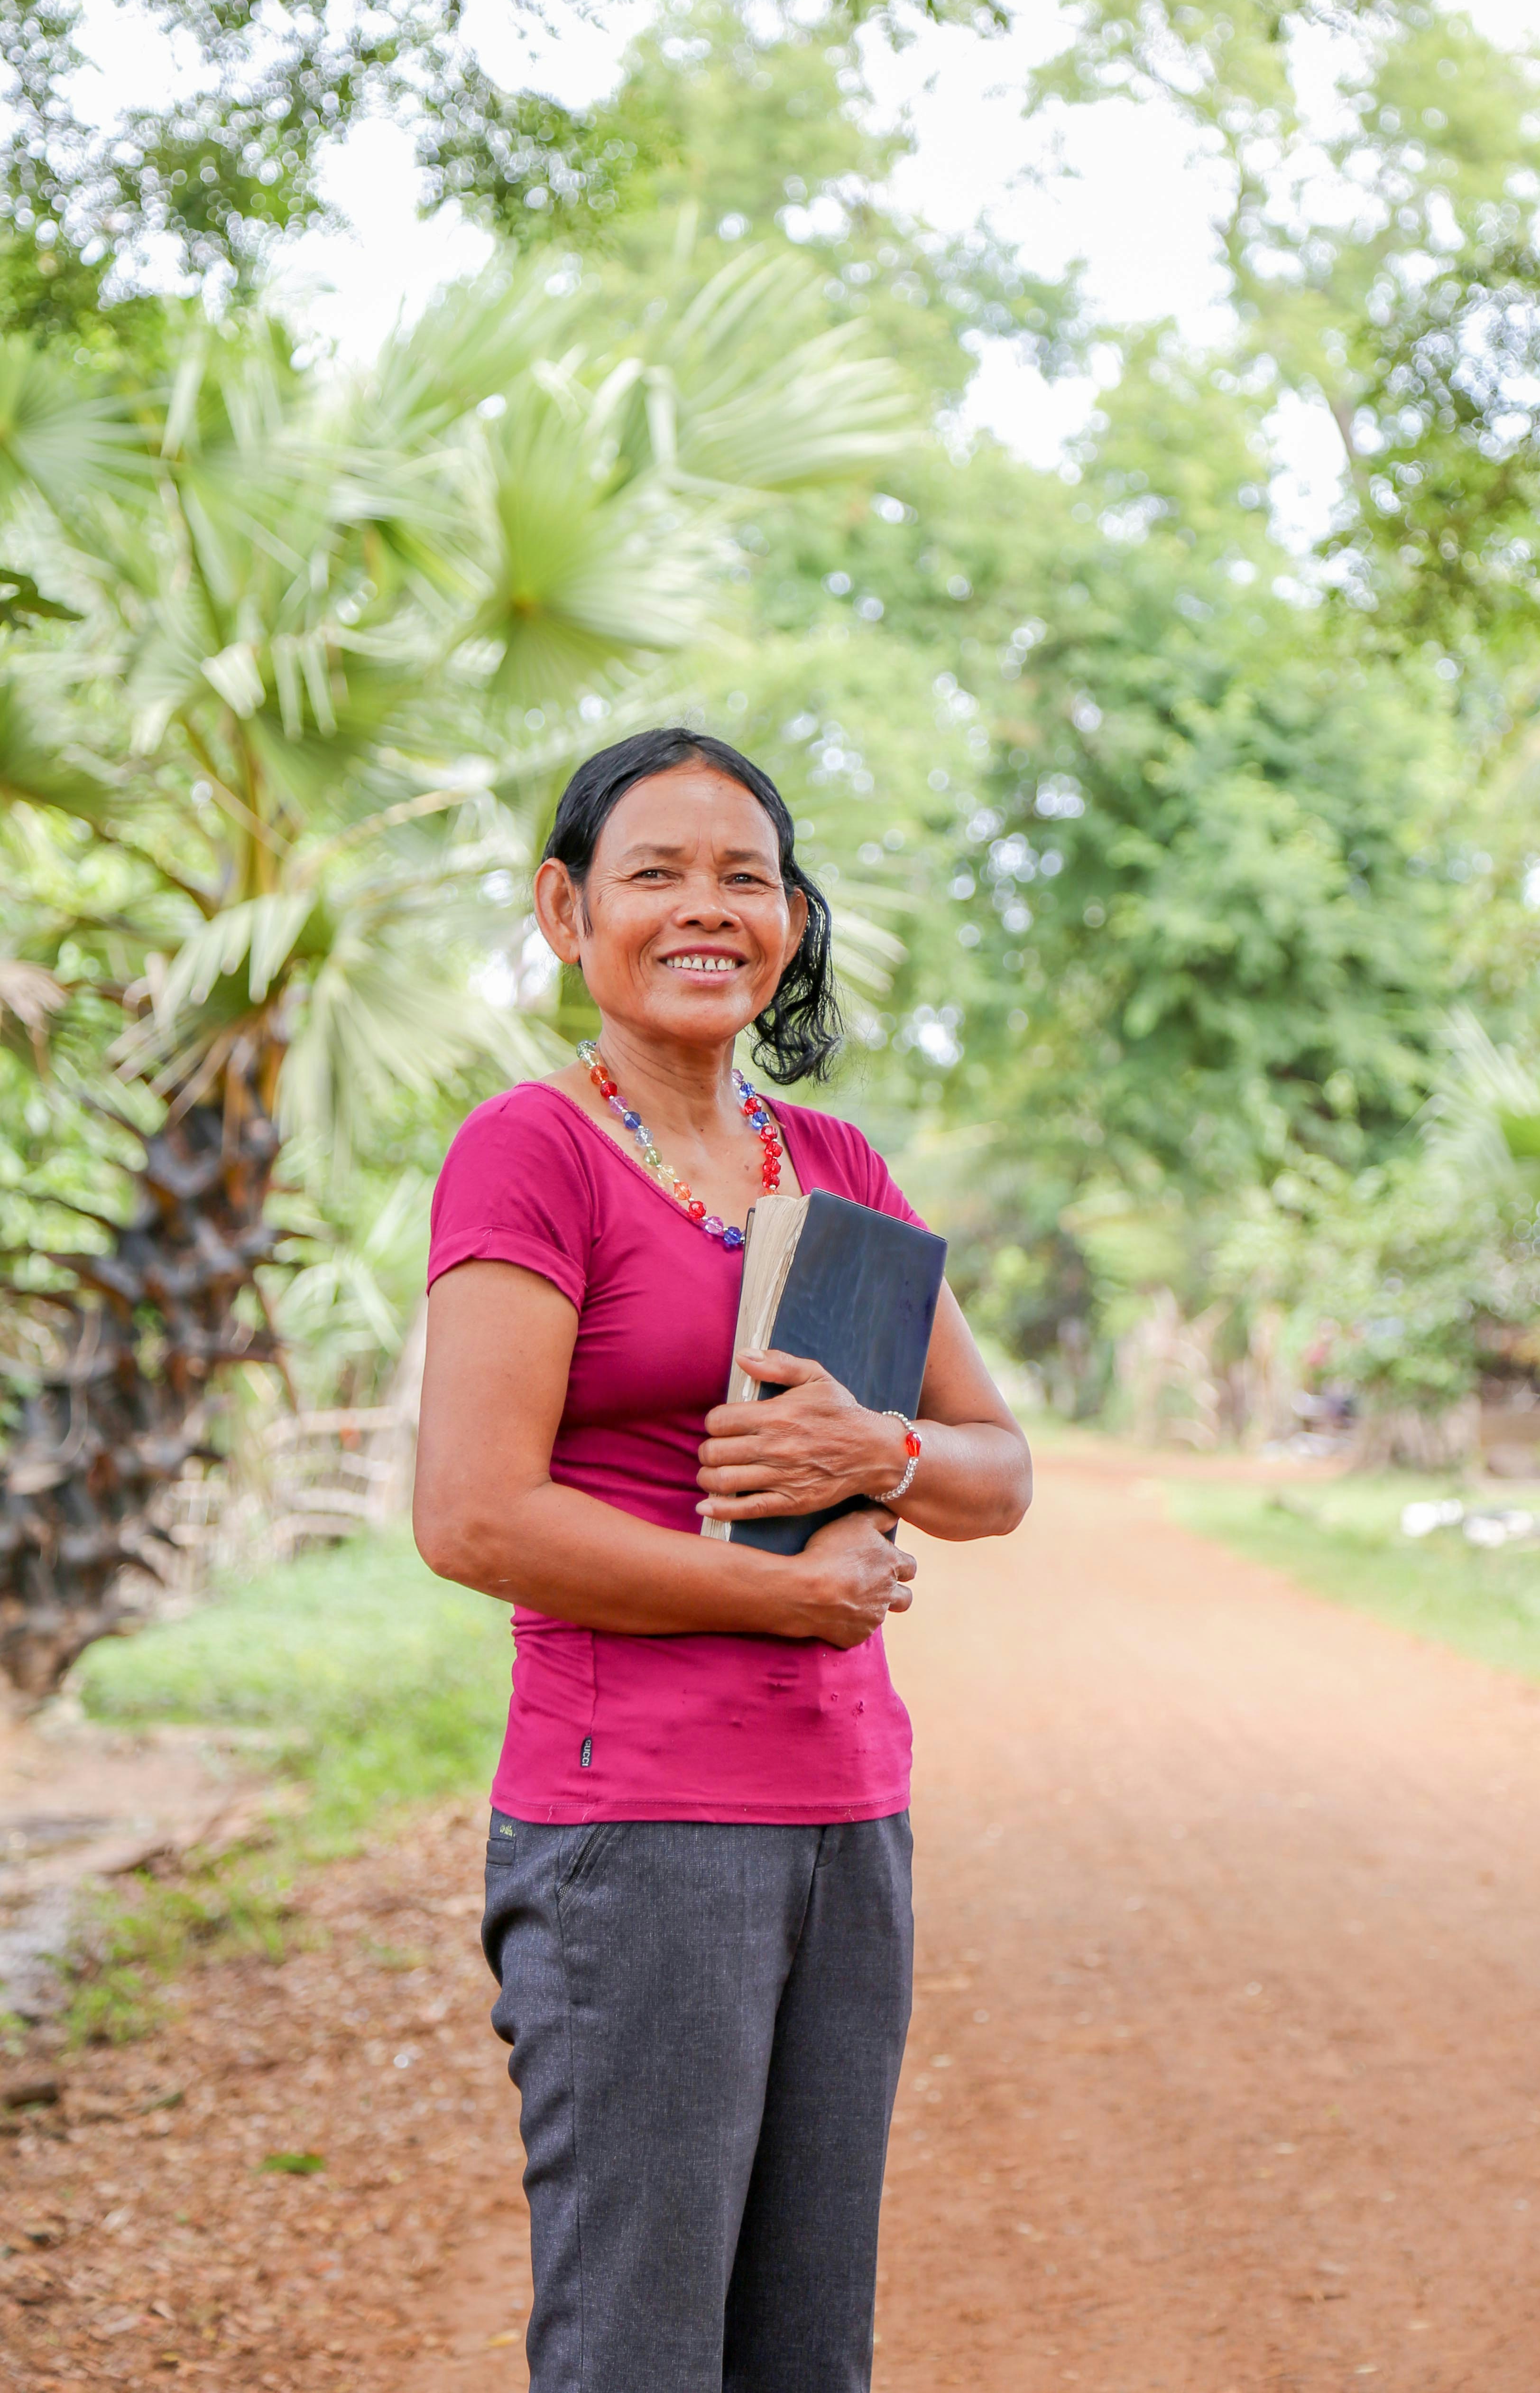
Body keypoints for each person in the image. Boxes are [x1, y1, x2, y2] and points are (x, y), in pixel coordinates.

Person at [414, 727, 1032, 2393]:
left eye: (746, 877)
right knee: (639, 2351)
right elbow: (471, 1515)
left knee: (807, 2353)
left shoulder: (834, 1172)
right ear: (568, 911)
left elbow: (997, 1473)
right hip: (635, 1838)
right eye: (657, 874)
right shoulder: (530, 1155)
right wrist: (782, 1591)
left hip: (850, 1822)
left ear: (791, 917)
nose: (708, 908)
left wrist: (876, 1452)